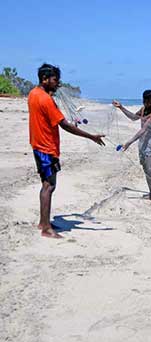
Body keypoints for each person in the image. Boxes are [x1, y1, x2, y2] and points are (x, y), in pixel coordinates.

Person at [28, 63, 105, 238]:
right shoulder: (46, 100)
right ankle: (47, 229)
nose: (58, 84)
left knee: (46, 184)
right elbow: (64, 125)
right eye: (55, 80)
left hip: (38, 145)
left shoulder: (33, 94)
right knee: (49, 186)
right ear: (45, 79)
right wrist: (91, 136)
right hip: (47, 147)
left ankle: (43, 222)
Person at [112, 90, 151, 205]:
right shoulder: (143, 109)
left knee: (150, 169)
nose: (146, 103)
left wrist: (129, 142)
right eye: (144, 100)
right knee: (146, 170)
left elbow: (144, 130)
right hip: (142, 143)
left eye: (148, 101)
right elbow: (133, 117)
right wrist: (121, 107)